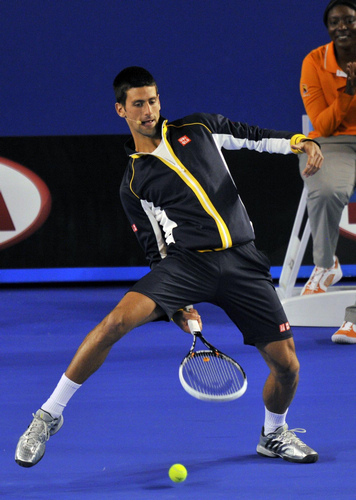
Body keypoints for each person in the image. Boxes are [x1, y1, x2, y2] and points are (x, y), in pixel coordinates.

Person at [15, 66, 323, 468]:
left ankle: (273, 433)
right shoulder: (133, 181)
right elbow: (153, 246)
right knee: (113, 324)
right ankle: (47, 416)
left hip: (243, 261)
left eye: (154, 100)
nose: (149, 110)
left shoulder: (198, 128)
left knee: (287, 366)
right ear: (120, 110)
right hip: (185, 266)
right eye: (138, 104)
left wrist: (301, 141)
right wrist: (176, 305)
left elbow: (255, 137)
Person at [299, 0, 356, 299]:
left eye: (349, 20)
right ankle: (326, 265)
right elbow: (323, 126)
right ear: (328, 27)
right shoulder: (314, 61)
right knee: (325, 191)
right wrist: (349, 91)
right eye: (335, 22)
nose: (342, 27)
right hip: (333, 143)